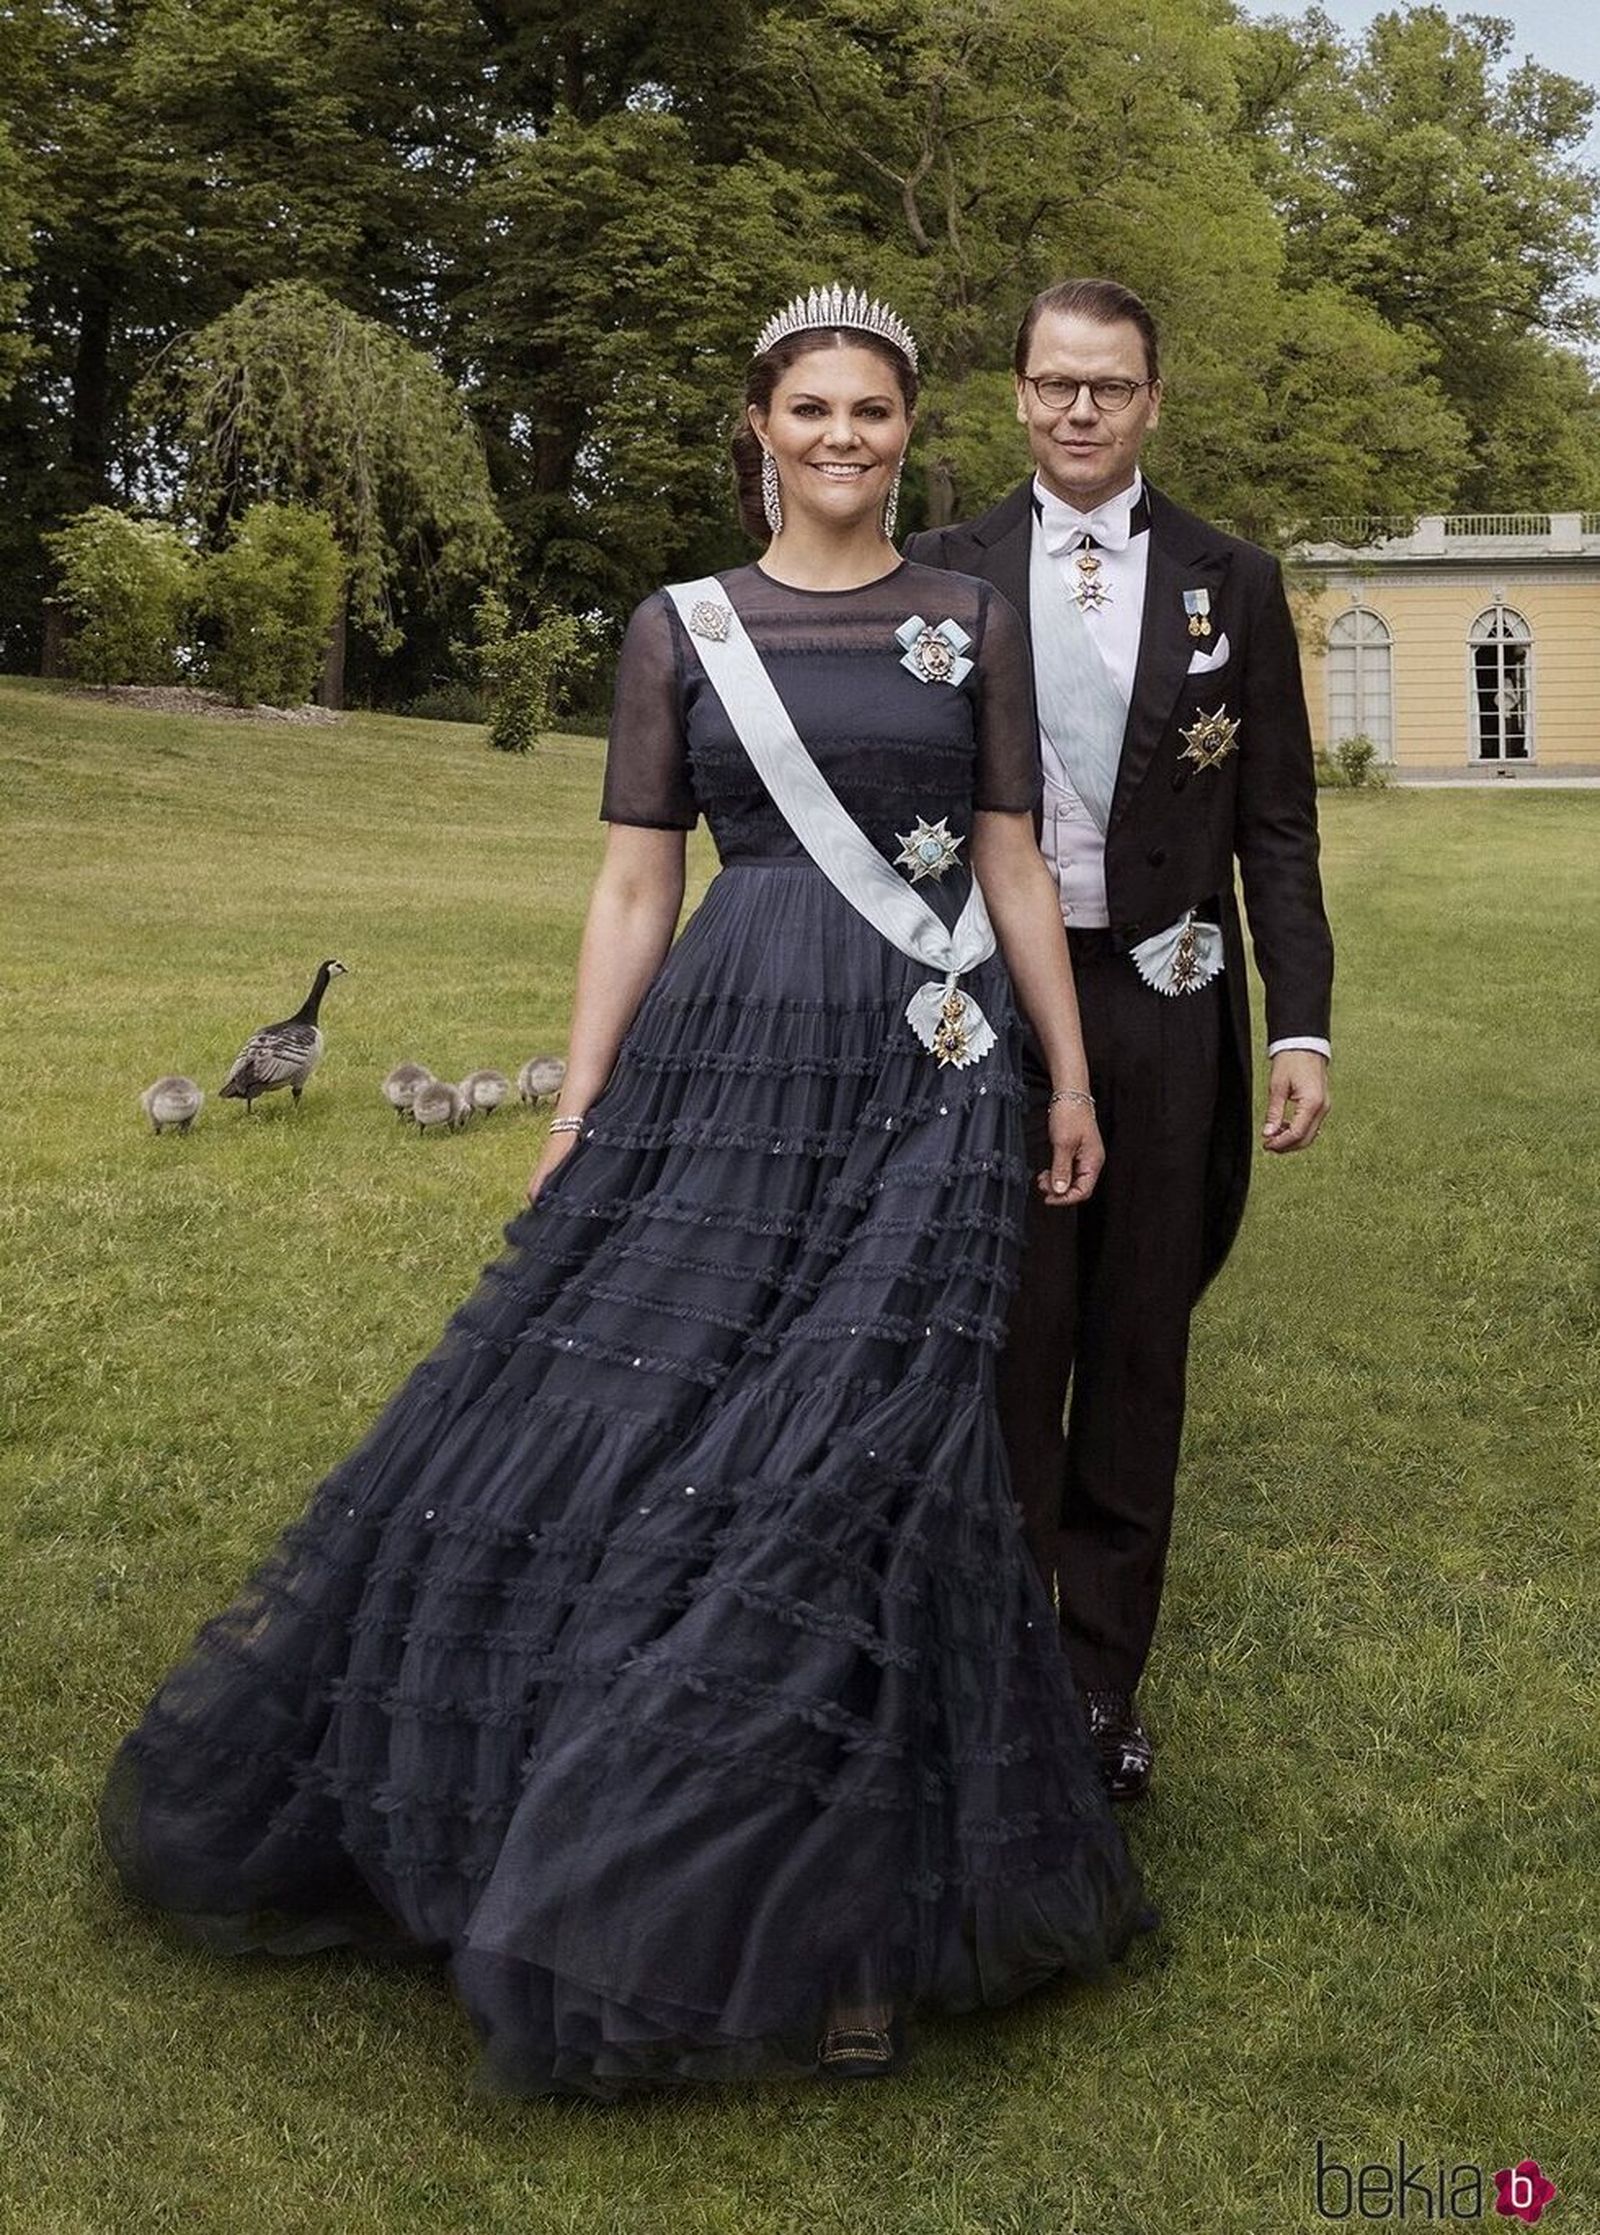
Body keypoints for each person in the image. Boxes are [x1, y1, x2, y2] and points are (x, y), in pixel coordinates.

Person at [101, 286, 1149, 2100]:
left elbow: (1010, 860)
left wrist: (1063, 1072)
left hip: (930, 1073)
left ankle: (840, 1913)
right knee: (647, 1414)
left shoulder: (971, 619)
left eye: (875, 413)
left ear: (911, 431)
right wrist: (582, 1096)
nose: (844, 439)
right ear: (759, 427)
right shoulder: (681, 630)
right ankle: (606, 1824)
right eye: (812, 410)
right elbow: (631, 890)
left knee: (871, 1446)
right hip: (727, 1063)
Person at [906, 278, 1334, 1802]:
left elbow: (1275, 822)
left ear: (1154, 401)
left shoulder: (1239, 577)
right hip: (998, 1005)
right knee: (1011, 1341)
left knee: (1139, 1346)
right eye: (1054, 384)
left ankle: (1101, 1690)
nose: (1080, 409)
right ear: (1016, 397)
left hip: (1172, 1001)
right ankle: (1006, 1662)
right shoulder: (940, 571)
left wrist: (1304, 1027)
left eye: (1111, 386)